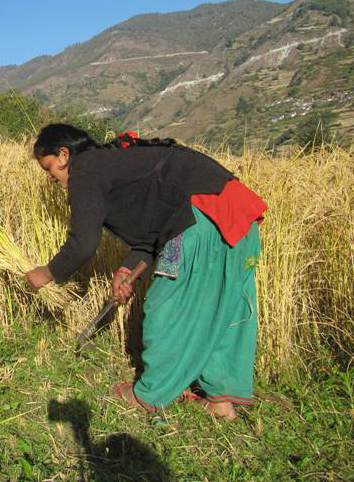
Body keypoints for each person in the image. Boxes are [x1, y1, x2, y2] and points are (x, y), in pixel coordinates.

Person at [25, 124, 267, 420]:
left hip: (202, 221)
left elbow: (83, 243)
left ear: (64, 155)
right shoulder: (115, 164)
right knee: (221, 309)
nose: (52, 178)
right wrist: (126, 270)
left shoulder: (86, 166)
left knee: (164, 305)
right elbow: (153, 232)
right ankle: (220, 399)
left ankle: (151, 394)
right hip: (237, 219)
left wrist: (47, 273)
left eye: (49, 168)